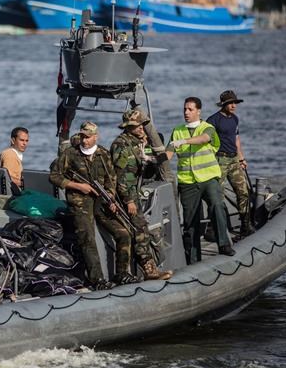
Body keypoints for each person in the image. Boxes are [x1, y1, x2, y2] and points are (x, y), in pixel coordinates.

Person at [49, 121, 170, 290]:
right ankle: (97, 279)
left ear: (95, 137)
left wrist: (111, 199)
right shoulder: (70, 154)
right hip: (80, 202)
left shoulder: (103, 154)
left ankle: (122, 273)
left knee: (124, 233)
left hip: (101, 201)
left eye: (88, 137)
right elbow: (54, 176)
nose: (84, 140)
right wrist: (78, 186)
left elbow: (111, 180)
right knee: (87, 237)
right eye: (82, 136)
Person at [166, 97, 236, 264]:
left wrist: (184, 141)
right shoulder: (177, 130)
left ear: (198, 111)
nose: (186, 112)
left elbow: (204, 139)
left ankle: (223, 244)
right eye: (184, 109)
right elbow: (167, 155)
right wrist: (149, 158)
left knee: (217, 205)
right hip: (187, 182)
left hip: (208, 178)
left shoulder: (208, 128)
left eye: (190, 109)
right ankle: (192, 259)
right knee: (190, 222)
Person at [110, 111, 173, 280]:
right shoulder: (121, 145)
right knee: (141, 231)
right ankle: (149, 270)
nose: (141, 129)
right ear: (129, 127)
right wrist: (129, 200)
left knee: (141, 229)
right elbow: (120, 176)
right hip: (126, 195)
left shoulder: (136, 143)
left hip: (133, 192)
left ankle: (148, 269)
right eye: (138, 126)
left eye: (142, 126)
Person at [207, 90, 255, 237]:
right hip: (219, 161)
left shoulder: (235, 119)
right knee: (217, 196)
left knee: (243, 192)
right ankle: (213, 229)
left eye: (235, 103)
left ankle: (245, 226)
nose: (234, 106)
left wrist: (242, 158)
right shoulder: (213, 120)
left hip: (234, 160)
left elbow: (236, 140)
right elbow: (206, 142)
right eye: (230, 103)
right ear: (223, 104)